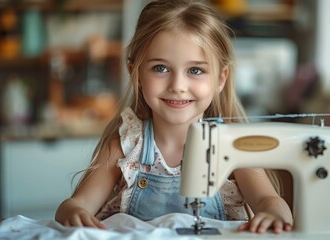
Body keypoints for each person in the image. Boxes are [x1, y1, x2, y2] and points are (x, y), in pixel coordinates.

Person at [55, 0, 293, 234]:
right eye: (161, 68)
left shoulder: (234, 149)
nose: (178, 85)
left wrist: (273, 213)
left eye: (195, 70)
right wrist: (73, 211)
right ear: (135, 73)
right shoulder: (126, 147)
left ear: (220, 79)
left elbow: (269, 201)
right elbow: (76, 204)